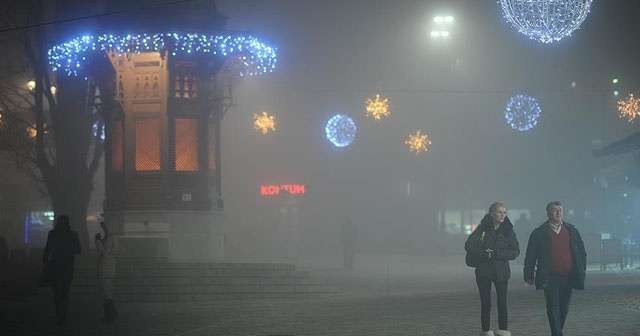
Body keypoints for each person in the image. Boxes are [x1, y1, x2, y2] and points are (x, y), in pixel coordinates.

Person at [524, 201, 586, 336]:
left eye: (560, 210)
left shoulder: (572, 231)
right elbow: (530, 255)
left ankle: (558, 330)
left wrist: (582, 269)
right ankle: (556, 333)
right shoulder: (539, 233)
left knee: (564, 308)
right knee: (553, 307)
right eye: (555, 210)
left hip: (568, 276)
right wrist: (529, 275)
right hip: (549, 277)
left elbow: (581, 252)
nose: (558, 213)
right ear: (548, 213)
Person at [465, 202, 519, 336]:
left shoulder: (508, 231)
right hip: (484, 271)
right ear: (492, 214)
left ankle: (503, 330)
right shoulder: (482, 229)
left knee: (502, 302)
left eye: (504, 212)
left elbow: (515, 251)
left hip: (502, 272)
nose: (502, 215)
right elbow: (469, 245)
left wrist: (496, 254)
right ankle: (486, 330)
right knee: (486, 302)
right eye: (499, 212)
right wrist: (484, 253)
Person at [42, 214, 82, 326]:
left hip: (55, 266)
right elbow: (78, 250)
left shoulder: (53, 234)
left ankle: (60, 315)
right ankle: (64, 314)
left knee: (57, 292)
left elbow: (47, 248)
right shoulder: (73, 235)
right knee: (65, 291)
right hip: (68, 266)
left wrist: (45, 261)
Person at [95, 220, 119, 323]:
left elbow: (105, 252)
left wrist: (98, 242)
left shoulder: (110, 238)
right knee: (107, 291)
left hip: (106, 267)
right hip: (109, 266)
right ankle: (110, 313)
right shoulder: (113, 237)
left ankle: (110, 313)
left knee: (106, 292)